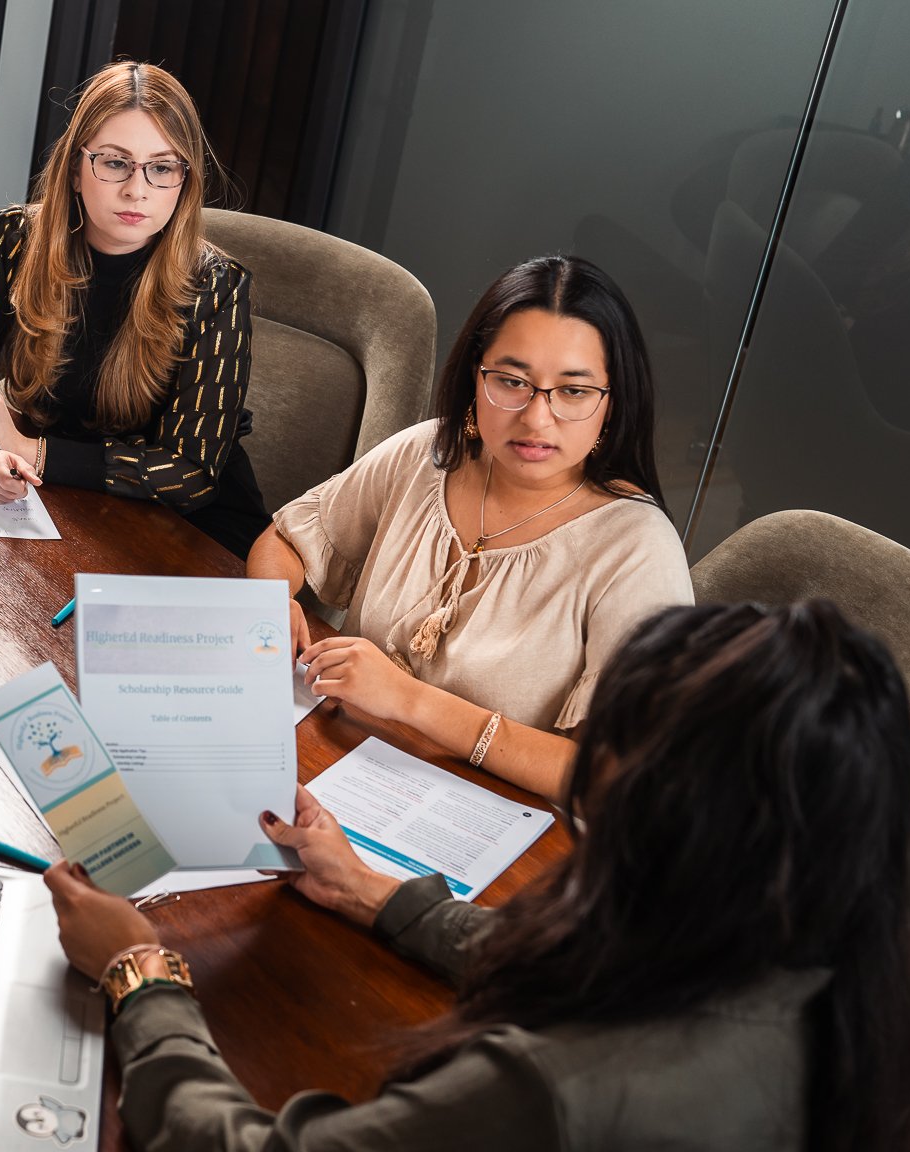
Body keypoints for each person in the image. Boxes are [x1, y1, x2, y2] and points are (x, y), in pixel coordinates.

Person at [45, 599, 910, 1152]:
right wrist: (374, 892)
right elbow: (609, 966)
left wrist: (141, 976)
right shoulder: (833, 980)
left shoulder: (548, 1089)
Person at [247, 255, 691, 800]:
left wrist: (409, 700)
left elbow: (615, 776)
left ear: (612, 405)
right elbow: (289, 537)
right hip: (339, 761)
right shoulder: (431, 451)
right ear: (474, 377)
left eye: (572, 391)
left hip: (483, 826)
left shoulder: (637, 548)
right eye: (511, 381)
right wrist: (267, 605)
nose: (535, 418)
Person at [0, 60, 270, 558]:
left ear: (185, 181)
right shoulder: (12, 240)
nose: (137, 189)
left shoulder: (216, 286)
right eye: (114, 162)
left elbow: (188, 473)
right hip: (66, 509)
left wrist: (30, 450)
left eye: (163, 167)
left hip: (189, 538)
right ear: (73, 169)